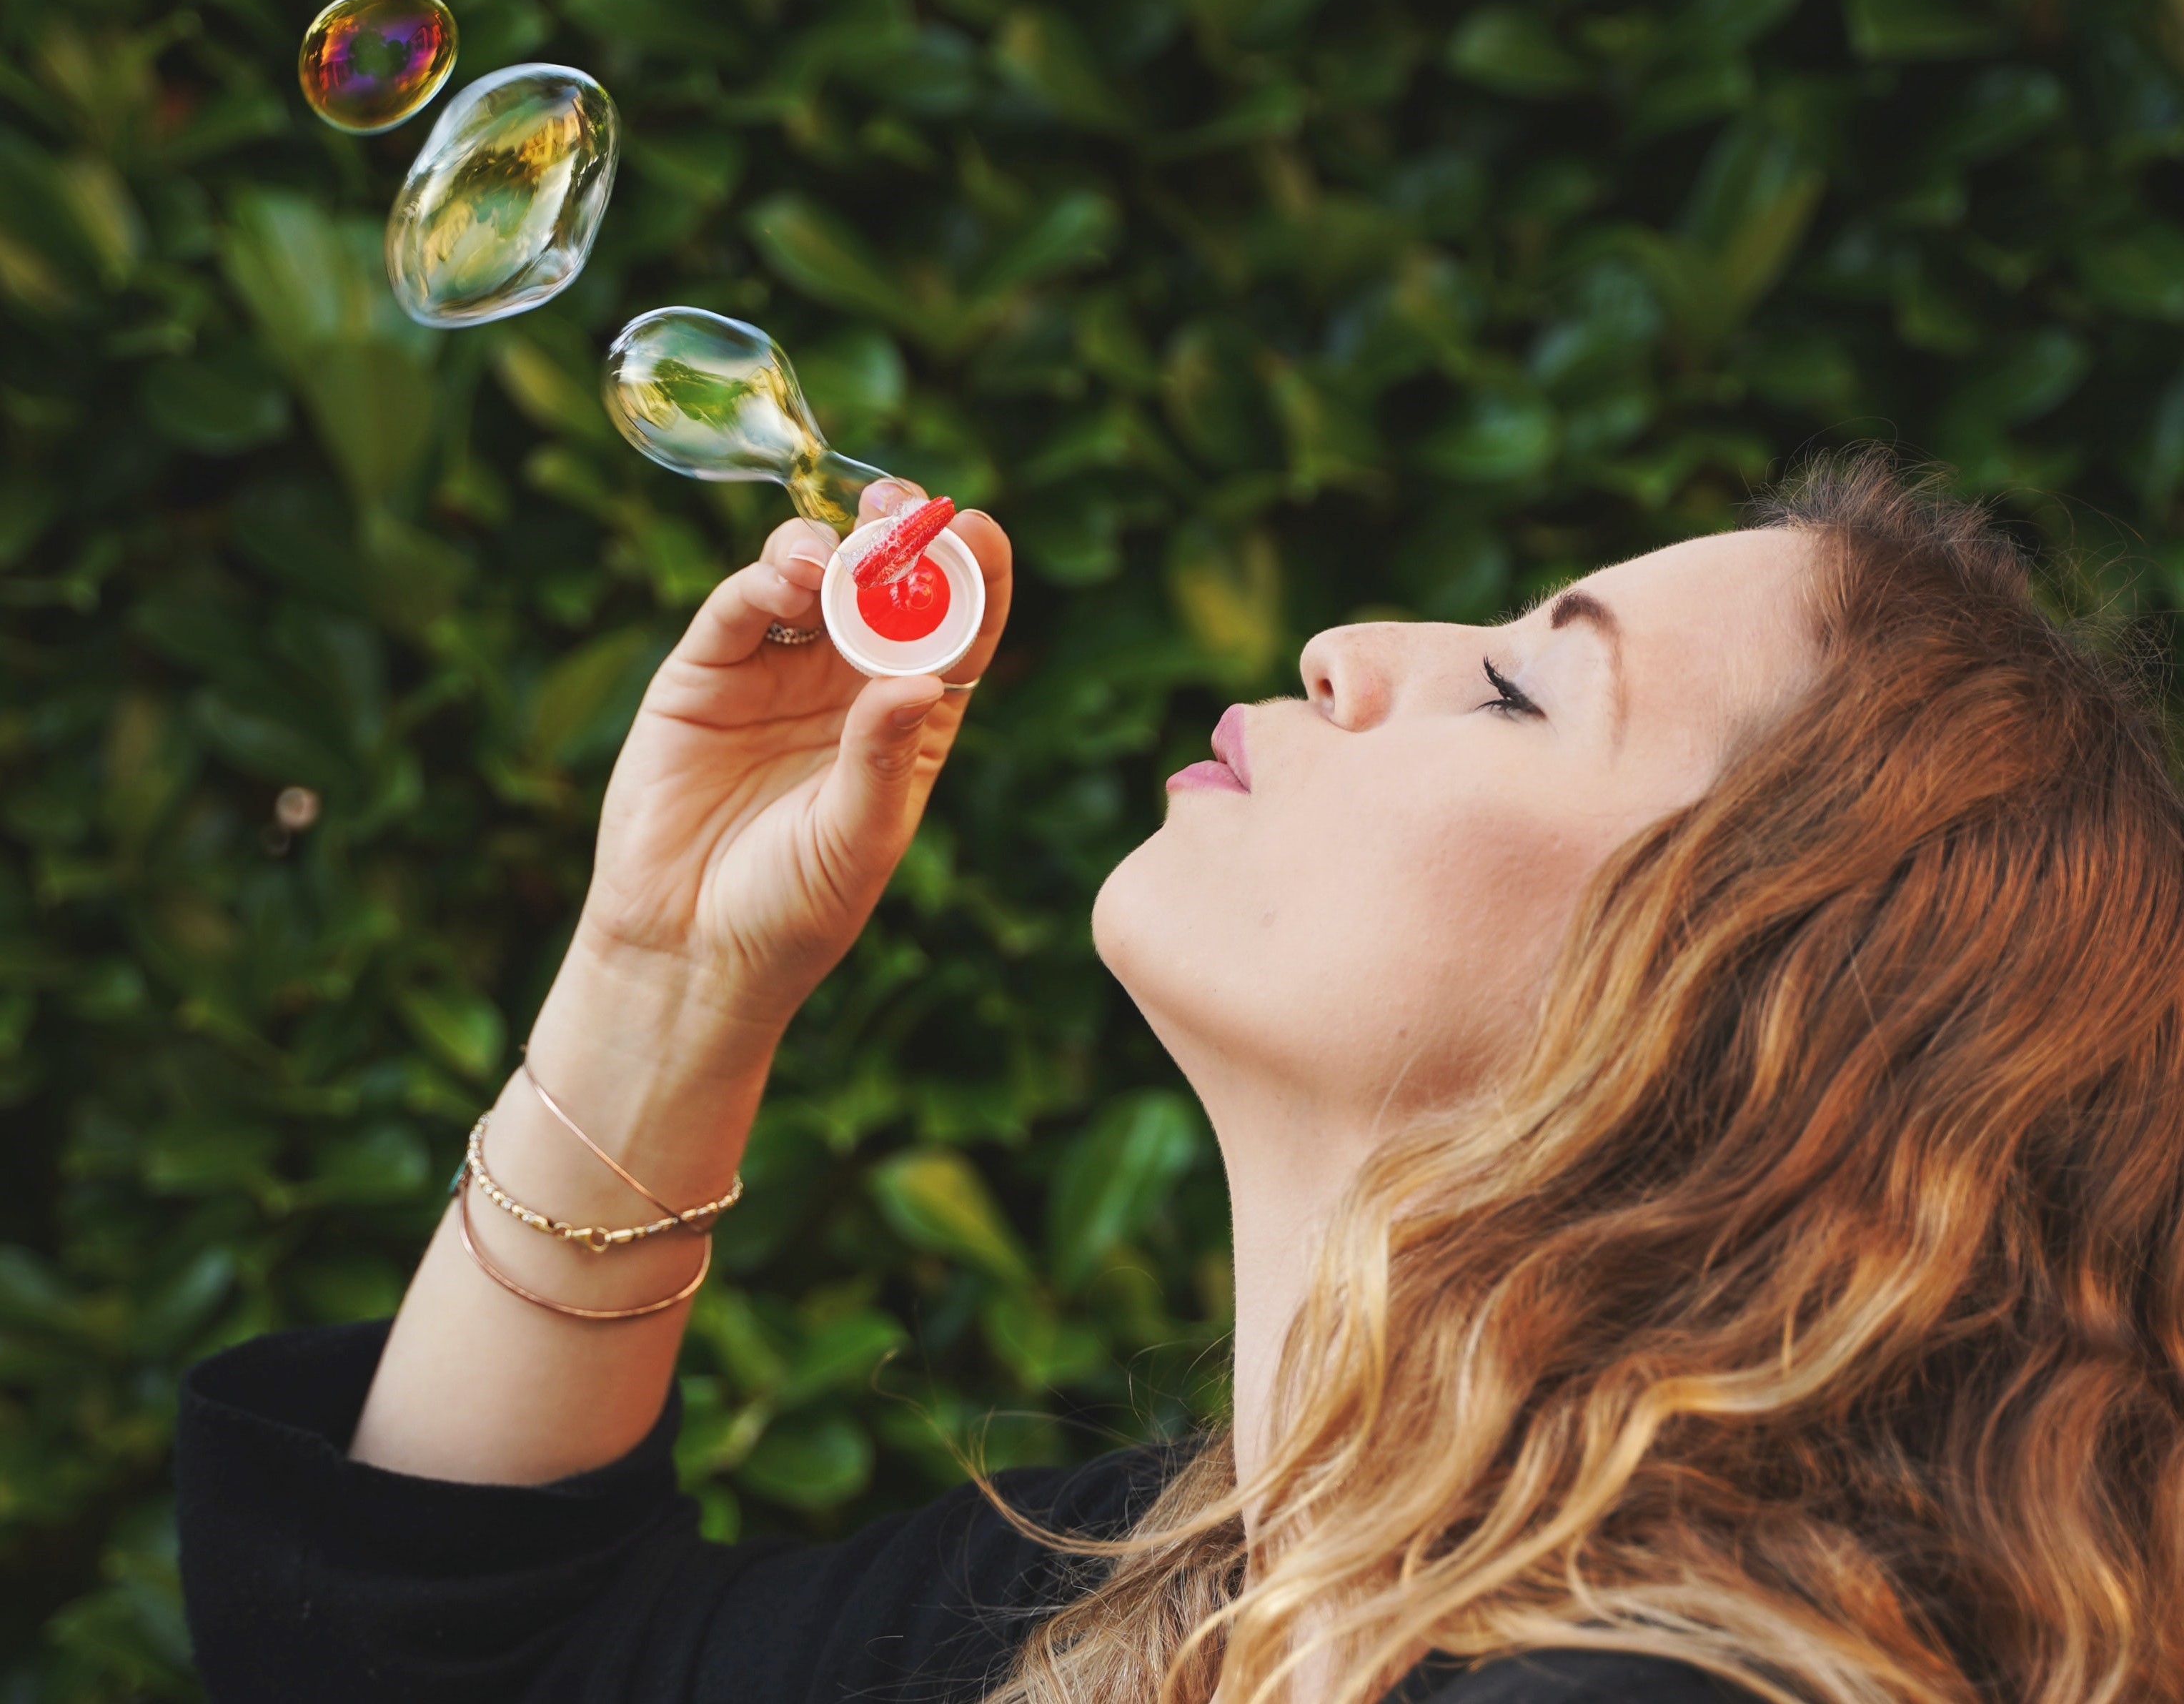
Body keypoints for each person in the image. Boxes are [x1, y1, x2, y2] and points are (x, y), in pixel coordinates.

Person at [174, 455, 2184, 1704]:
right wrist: (669, 979)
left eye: (1515, 683)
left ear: (1746, 1021)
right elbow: (438, 1666)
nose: (1345, 647)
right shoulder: (1157, 1606)